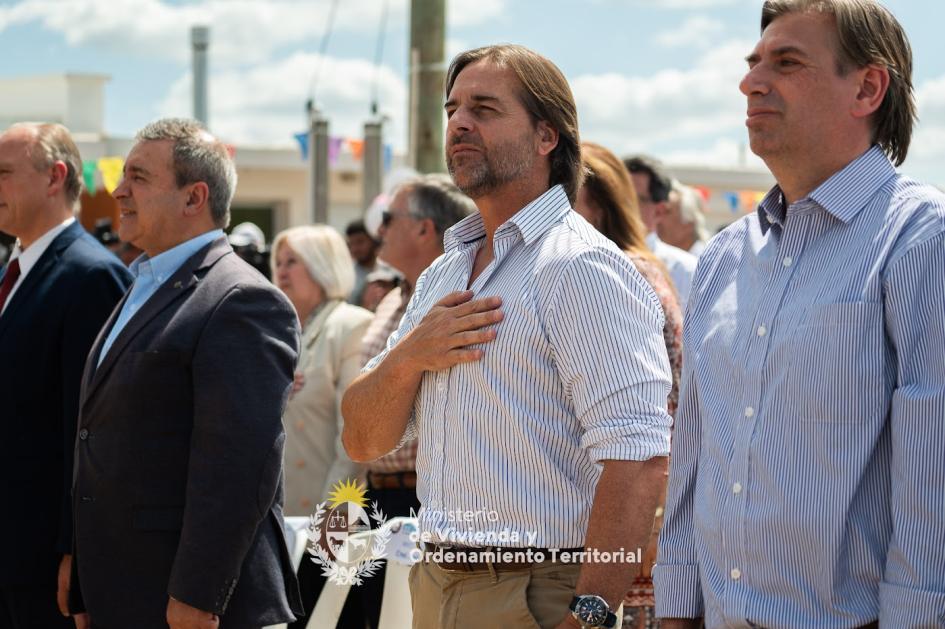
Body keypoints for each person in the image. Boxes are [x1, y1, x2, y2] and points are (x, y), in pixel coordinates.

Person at [342, 44, 672, 629]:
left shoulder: (580, 268)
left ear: (547, 137)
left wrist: (590, 615)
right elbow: (364, 440)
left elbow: (640, 459)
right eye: (452, 109)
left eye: (485, 108)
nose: (460, 123)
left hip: (539, 591)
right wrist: (410, 356)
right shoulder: (445, 273)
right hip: (435, 582)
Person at [655, 2, 945, 628]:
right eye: (754, 62)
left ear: (867, 87)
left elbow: (933, 470)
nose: (751, 82)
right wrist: (676, 605)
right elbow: (693, 452)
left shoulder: (922, 238)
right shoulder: (724, 257)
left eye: (787, 63)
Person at [68, 118, 303, 629]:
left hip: (190, 607)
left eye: (139, 177)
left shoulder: (241, 298)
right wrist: (85, 575)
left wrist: (200, 594)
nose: (117, 190)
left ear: (194, 197)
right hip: (126, 592)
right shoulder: (143, 282)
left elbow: (239, 464)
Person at [0, 122, 132, 629]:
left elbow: (94, 430)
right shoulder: (18, 268)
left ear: (54, 177)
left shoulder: (90, 275)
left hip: (44, 563)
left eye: (5, 173)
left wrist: (76, 551)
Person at [352, 173, 476, 628]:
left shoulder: (455, 298)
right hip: (378, 492)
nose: (379, 229)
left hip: (423, 497)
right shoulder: (392, 298)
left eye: (389, 218)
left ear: (425, 229)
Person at [575, 141, 683, 629]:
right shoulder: (629, 266)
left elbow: (648, 421)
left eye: (562, 195)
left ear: (599, 205)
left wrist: (643, 522)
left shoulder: (619, 271)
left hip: (633, 509)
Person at [274, 224, 373, 516]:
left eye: (292, 261)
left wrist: (331, 517)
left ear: (322, 265)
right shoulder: (279, 332)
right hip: (281, 515)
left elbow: (354, 441)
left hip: (326, 517)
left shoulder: (352, 326)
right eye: (278, 262)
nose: (281, 271)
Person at [623, 155, 697, 304]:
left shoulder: (686, 271)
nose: (619, 205)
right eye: (615, 195)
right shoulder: (592, 258)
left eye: (630, 198)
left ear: (659, 211)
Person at [658, 181, 709, 257]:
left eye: (667, 212)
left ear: (688, 224)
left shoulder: (705, 261)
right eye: (659, 211)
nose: (659, 218)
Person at [345, 219, 380, 306]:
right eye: (351, 244)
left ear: (373, 240)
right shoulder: (347, 275)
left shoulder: (390, 271)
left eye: (360, 242)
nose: (355, 249)